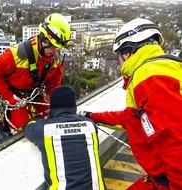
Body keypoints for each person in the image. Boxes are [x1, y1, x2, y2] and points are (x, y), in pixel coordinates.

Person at [78, 18, 182, 190]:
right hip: (161, 177)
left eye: (118, 56)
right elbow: (131, 118)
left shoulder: (149, 76)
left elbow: (176, 140)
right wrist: (91, 116)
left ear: (126, 53)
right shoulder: (167, 67)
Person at [0, 13, 72, 131]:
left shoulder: (54, 61)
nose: (54, 51)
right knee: (22, 128)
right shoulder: (17, 55)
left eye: (57, 48)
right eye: (52, 47)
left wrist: (57, 104)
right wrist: (9, 97)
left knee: (52, 119)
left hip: (36, 94)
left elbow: (53, 86)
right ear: (43, 39)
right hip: (16, 96)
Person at [24, 86, 105, 190]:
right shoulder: (90, 125)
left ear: (52, 106)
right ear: (74, 106)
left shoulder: (43, 129)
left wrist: (39, 118)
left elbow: (28, 127)